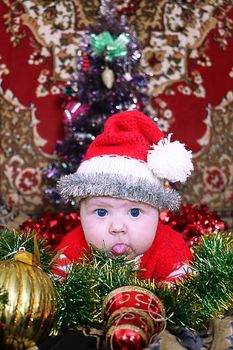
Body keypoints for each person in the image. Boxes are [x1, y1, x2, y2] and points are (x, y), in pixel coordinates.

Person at [53, 110, 193, 282]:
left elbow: (186, 299)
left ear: (158, 213)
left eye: (134, 212)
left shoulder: (170, 248)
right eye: (101, 212)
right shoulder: (74, 247)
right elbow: (55, 294)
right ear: (81, 213)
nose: (117, 227)